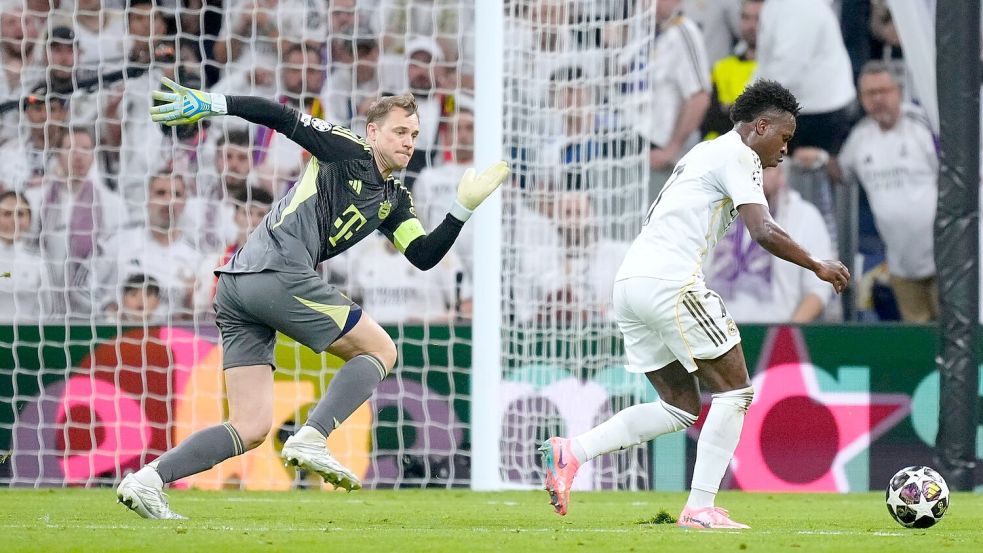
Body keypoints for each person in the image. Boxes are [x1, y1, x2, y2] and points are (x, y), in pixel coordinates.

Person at [115, 77, 509, 519]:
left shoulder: (394, 198)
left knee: (251, 426)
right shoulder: (346, 149)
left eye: (415, 135)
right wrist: (212, 103)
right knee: (381, 348)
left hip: (238, 286)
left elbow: (421, 256)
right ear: (373, 131)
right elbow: (281, 116)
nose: (408, 143)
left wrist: (461, 209)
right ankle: (313, 436)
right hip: (275, 271)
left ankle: (148, 480)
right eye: (400, 132)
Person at [539, 80, 850, 528]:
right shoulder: (739, 155)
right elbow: (762, 230)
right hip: (670, 282)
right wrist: (817, 264)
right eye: (783, 137)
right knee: (736, 390)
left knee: (680, 406)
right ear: (760, 126)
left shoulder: (703, 152)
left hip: (630, 283)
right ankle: (700, 506)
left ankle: (574, 452)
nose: (785, 149)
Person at [838, 61, 938, 322]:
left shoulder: (923, 126)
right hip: (901, 263)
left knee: (955, 335)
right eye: (871, 94)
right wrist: (816, 160)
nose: (878, 99)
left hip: (946, 259)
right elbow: (840, 171)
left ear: (898, 91)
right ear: (861, 99)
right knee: (919, 340)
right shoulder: (860, 138)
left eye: (884, 91)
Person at [704, 165, 833, 323]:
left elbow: (818, 289)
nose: (756, 174)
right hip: (713, 336)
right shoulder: (712, 212)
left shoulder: (805, 216)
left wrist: (785, 336)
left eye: (765, 166)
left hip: (775, 332)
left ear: (781, 172)